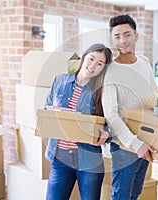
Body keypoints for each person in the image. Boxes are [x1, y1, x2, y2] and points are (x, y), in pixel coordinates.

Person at [102, 15, 158, 199]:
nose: (122, 41)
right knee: (122, 195)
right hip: (125, 145)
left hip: (147, 139)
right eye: (117, 36)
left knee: (136, 193)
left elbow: (156, 96)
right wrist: (136, 144)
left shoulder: (144, 63)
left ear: (136, 36)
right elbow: (111, 115)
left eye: (127, 35)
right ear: (112, 40)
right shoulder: (109, 70)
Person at [45, 43, 112, 200]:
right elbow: (46, 111)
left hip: (89, 161)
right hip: (60, 158)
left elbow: (112, 124)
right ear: (84, 57)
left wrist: (106, 134)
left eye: (100, 63)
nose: (93, 65)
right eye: (91, 58)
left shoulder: (102, 92)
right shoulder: (59, 81)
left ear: (103, 68)